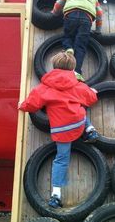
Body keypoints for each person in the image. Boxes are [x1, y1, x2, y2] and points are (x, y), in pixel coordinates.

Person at [18, 51, 99, 209]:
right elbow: (91, 98)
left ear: (54, 66)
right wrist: (93, 92)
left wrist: (21, 105)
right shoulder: (77, 84)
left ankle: (56, 194)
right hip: (78, 122)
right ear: (73, 68)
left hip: (61, 129)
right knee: (81, 106)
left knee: (61, 160)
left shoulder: (44, 87)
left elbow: (32, 104)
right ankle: (90, 130)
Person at [51, 0, 103, 79]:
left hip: (71, 13)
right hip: (87, 18)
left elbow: (60, 2)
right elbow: (99, 12)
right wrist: (98, 29)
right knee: (81, 45)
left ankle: (68, 47)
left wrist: (54, 13)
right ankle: (77, 72)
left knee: (68, 35)